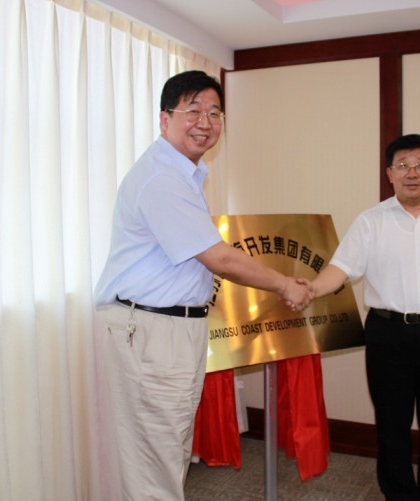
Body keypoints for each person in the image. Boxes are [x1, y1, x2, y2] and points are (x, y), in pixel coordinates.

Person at [92, 70, 313, 500]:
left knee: (167, 448)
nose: (205, 122)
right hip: (153, 331)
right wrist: (286, 285)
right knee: (156, 458)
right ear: (164, 119)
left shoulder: (184, 175)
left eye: (214, 113)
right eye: (192, 111)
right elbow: (219, 258)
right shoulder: (162, 178)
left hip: (169, 329)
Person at [306, 134, 420, 500]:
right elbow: (340, 269)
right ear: (389, 173)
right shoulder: (370, 221)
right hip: (388, 335)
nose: (411, 173)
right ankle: (399, 494)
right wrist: (309, 289)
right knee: (392, 424)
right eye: (402, 165)